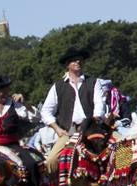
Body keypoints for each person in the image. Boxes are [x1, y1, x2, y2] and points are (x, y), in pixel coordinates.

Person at [40, 47, 111, 175]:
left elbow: (99, 104)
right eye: (74, 60)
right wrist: (57, 129)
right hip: (69, 132)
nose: (78, 62)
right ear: (67, 65)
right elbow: (45, 111)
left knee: (120, 145)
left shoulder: (93, 82)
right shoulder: (58, 86)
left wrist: (95, 118)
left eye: (80, 60)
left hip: (92, 128)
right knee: (50, 161)